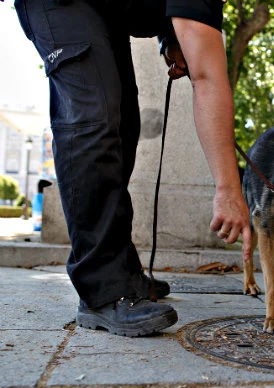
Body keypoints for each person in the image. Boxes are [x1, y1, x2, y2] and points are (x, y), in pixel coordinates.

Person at [13, 0, 252, 337]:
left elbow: (207, 72)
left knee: (124, 123)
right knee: (93, 119)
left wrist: (170, 37)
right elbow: (206, 78)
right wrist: (228, 190)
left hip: (109, 11)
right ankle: (103, 291)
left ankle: (121, 268)